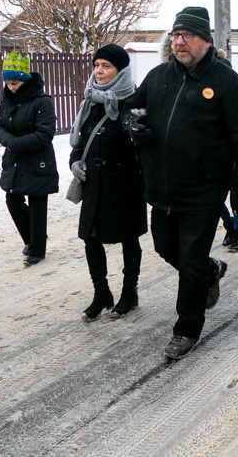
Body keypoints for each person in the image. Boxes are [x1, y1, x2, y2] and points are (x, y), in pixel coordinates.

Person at [123, 7, 238, 360]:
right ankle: (211, 270)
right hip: (162, 187)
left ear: (205, 41)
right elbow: (131, 110)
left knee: (189, 257)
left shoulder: (227, 83)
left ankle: (186, 329)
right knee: (166, 248)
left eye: (187, 36)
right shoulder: (158, 78)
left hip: (204, 188)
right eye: (175, 35)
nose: (179, 42)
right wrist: (133, 126)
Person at [69, 44, 147, 321]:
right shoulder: (90, 101)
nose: (99, 72)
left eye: (106, 66)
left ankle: (129, 292)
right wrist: (75, 162)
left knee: (128, 239)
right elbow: (79, 142)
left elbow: (145, 144)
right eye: (96, 65)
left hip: (125, 183)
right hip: (95, 183)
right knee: (90, 239)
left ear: (120, 70)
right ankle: (101, 292)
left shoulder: (135, 101)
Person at [0, 52, 59, 266]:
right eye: (7, 82)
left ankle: (37, 249)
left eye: (15, 82)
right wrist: (10, 142)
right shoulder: (7, 99)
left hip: (38, 160)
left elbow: (45, 133)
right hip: (14, 160)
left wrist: (16, 144)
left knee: (37, 202)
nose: (11, 86)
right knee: (12, 200)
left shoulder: (42, 101)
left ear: (25, 79)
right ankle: (32, 239)